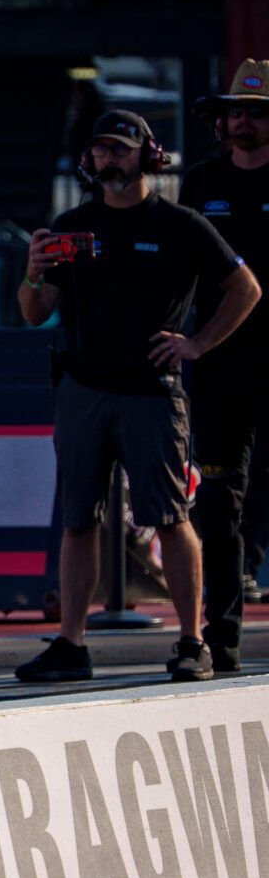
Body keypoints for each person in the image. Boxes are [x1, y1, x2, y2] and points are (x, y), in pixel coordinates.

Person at [16, 110, 259, 684]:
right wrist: (32, 272)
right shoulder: (74, 224)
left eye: (121, 149)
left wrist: (198, 343)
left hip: (152, 392)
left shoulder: (179, 224)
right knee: (79, 520)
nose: (110, 159)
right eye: (101, 150)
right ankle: (71, 644)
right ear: (89, 158)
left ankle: (192, 641)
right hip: (84, 389)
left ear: (148, 156)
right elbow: (34, 312)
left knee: (171, 517)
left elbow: (245, 287)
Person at [179, 60, 269, 672]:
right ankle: (223, 635)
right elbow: (176, 270)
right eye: (237, 111)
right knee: (217, 502)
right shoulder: (201, 182)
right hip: (219, 360)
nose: (243, 122)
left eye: (257, 114)